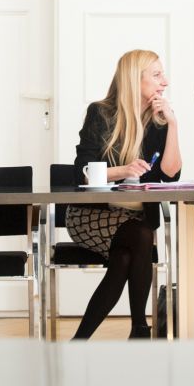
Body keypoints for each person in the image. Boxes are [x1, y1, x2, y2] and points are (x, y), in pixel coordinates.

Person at [67, 50, 182, 340]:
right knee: (142, 236)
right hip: (92, 214)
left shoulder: (157, 121)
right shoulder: (100, 113)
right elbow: (81, 172)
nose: (164, 82)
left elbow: (170, 175)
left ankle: (79, 342)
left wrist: (173, 125)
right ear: (135, 78)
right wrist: (122, 170)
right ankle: (139, 329)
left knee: (125, 258)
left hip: (135, 217)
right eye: (156, 75)